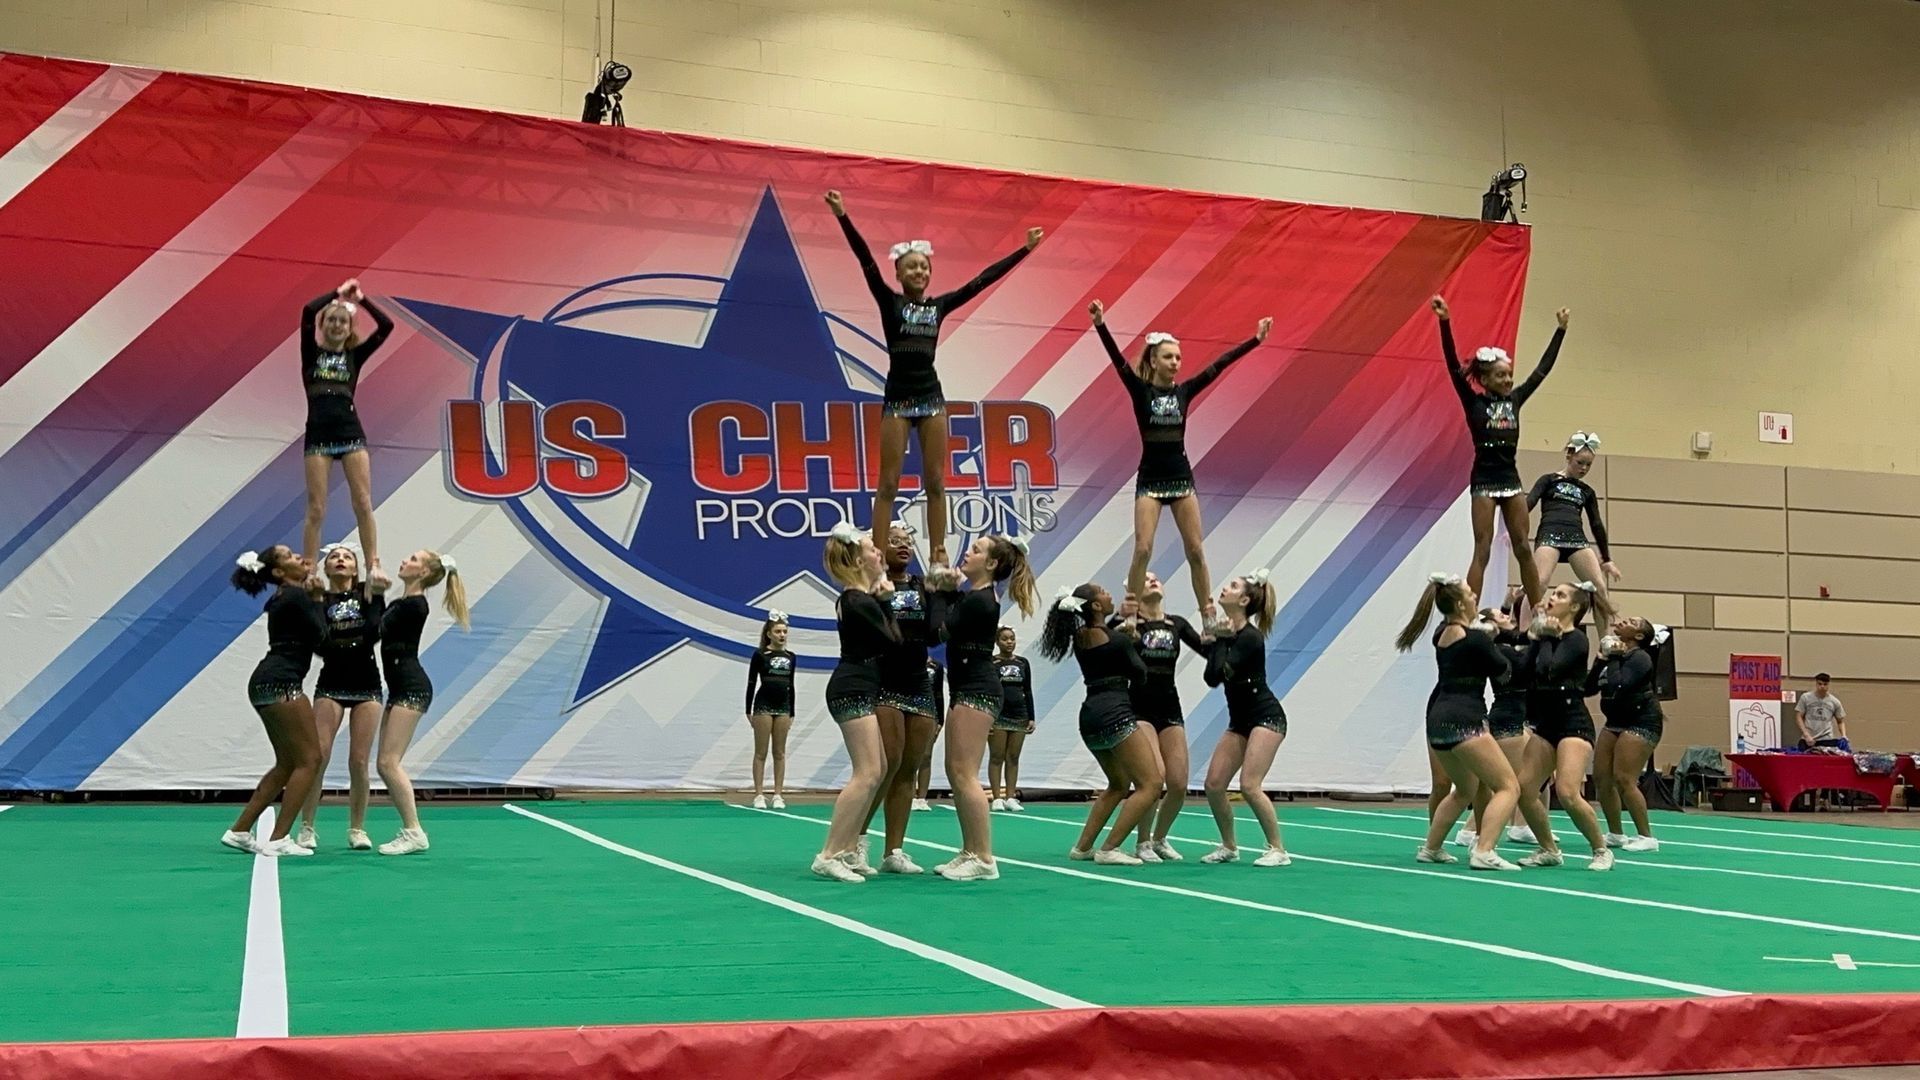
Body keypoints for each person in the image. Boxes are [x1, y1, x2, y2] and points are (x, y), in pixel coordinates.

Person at [824, 190, 1043, 566]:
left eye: (924, 267)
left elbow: (980, 282)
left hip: (930, 397)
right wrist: (843, 215)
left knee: (936, 481)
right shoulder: (889, 301)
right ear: (898, 273)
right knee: (889, 483)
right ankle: (876, 555)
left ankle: (939, 554)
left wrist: (1023, 250)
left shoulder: (939, 306)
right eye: (912, 267)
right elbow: (865, 262)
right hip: (898, 397)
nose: (919, 272)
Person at [1089, 300, 1271, 621]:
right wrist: (1101, 324)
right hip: (1150, 478)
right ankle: (1131, 614)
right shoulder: (1140, 391)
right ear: (1154, 361)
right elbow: (1117, 361)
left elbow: (1221, 364)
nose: (1175, 362)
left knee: (1196, 550)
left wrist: (1255, 340)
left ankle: (1208, 616)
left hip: (1180, 478)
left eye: (1178, 357)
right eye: (1168, 357)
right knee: (1143, 548)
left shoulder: (1184, 392)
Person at [1429, 295, 1569, 607]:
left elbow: (1541, 372)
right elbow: (1453, 366)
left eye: (1509, 374)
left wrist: (1560, 331)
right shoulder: (1474, 401)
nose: (1508, 379)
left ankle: (1539, 611)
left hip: (1510, 478)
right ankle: (1469, 611)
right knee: (1483, 549)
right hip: (1484, 480)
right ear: (1485, 379)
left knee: (1522, 546)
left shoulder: (1515, 399)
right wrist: (1444, 322)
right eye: (1501, 375)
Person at [1394, 573, 1523, 871]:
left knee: (1463, 790)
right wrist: (1499, 637)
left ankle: (1431, 847)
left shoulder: (1441, 633)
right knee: (1507, 786)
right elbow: (1504, 669)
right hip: (1466, 720)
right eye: (1469, 593)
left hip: (1438, 720)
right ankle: (1484, 849)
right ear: (1462, 603)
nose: (1475, 595)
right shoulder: (1476, 639)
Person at [930, 535, 1038, 882]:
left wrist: (939, 590)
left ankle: (985, 857)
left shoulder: (979, 601)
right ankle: (970, 849)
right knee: (955, 771)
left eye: (975, 549)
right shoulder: (974, 597)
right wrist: (947, 591)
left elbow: (935, 634)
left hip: (977, 691)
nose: (967, 552)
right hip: (967, 689)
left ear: (991, 564)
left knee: (964, 773)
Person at [1038, 584, 1165, 865]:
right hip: (1115, 712)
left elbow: (1108, 644)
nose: (1110, 595)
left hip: (1090, 715)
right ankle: (1110, 848)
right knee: (1151, 784)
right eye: (1104, 592)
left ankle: (1083, 847)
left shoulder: (1081, 636)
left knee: (1119, 783)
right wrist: (1134, 641)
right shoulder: (1117, 641)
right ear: (1095, 606)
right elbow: (1141, 673)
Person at [222, 546, 325, 857]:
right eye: (291, 557)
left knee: (287, 764)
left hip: (266, 681)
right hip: (281, 682)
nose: (300, 557)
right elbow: (323, 639)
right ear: (280, 572)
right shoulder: (295, 597)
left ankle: (240, 830)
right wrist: (320, 599)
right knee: (310, 760)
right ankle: (280, 838)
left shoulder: (284, 596)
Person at [812, 523, 900, 883]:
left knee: (876, 770)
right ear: (855, 559)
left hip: (860, 686)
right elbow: (894, 643)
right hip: (851, 688)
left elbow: (890, 638)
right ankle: (829, 853)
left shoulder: (861, 598)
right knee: (866, 773)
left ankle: (847, 849)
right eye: (871, 548)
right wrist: (887, 601)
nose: (879, 552)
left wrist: (883, 601)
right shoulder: (856, 599)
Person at [373, 549, 469, 856]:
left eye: (413, 559)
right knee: (384, 763)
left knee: (389, 763)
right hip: (400, 688)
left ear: (424, 573)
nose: (404, 560)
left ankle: (414, 831)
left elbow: (375, 631)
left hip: (411, 688)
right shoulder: (402, 603)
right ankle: (411, 830)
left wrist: (372, 595)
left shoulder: (414, 606)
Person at [300, 280, 394, 589]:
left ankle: (373, 566)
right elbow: (307, 310)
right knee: (316, 507)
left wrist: (362, 300)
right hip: (318, 436)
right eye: (332, 320)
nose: (338, 325)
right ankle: (310, 570)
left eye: (344, 321)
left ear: (350, 327)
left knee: (363, 502)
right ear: (322, 324)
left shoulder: (354, 356)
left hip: (351, 434)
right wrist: (338, 293)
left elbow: (386, 325)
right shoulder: (311, 353)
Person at [1516, 582, 1612, 871]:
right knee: (1524, 789)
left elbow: (1550, 668)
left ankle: (1601, 849)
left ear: (1574, 607)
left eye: (1559, 595)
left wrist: (1543, 636)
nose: (1551, 598)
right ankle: (1549, 849)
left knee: (1569, 792)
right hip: (1545, 724)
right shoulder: (1543, 636)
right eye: (1552, 593)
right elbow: (1523, 673)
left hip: (1573, 722)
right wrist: (1536, 637)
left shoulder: (1576, 640)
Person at [1198, 570, 1291, 866]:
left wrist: (1218, 640)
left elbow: (1223, 671)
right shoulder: (1228, 636)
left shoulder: (1250, 638)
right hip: (1240, 721)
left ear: (1245, 600)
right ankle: (1229, 846)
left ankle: (1278, 849)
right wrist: (1215, 637)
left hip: (1266, 717)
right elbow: (1210, 676)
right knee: (1213, 785)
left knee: (1250, 784)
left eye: (1234, 586)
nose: (1225, 587)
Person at [867, 524, 945, 875]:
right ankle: (854, 838)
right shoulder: (870, 585)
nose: (904, 546)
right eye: (895, 540)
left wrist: (940, 595)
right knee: (887, 764)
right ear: (879, 547)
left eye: (908, 542)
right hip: (884, 680)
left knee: (909, 769)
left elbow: (932, 634)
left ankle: (893, 851)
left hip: (918, 681)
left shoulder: (919, 586)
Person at [296, 542, 385, 851]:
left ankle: (357, 829)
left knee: (359, 761)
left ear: (356, 568)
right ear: (325, 568)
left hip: (367, 683)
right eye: (334, 557)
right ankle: (307, 827)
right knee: (318, 756)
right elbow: (319, 641)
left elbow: (374, 631)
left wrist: (376, 592)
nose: (340, 560)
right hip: (331, 682)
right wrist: (316, 600)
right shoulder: (318, 599)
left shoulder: (369, 594)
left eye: (347, 557)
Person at [1124, 571, 1204, 862]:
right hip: (1139, 706)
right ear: (1132, 590)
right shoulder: (1129, 624)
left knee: (1179, 783)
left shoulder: (1177, 624)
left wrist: (1225, 636)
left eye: (1156, 578)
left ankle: (1159, 838)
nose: (1153, 580)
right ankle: (1142, 842)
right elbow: (1103, 641)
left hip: (1169, 706)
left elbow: (1209, 650)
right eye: (1145, 579)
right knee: (1153, 778)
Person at [1589, 617, 1666, 852]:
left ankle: (1646, 836)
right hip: (1615, 721)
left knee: (1624, 778)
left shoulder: (1640, 658)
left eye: (1631, 621)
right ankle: (1615, 833)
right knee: (1602, 778)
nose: (1622, 621)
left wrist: (1611, 658)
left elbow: (1620, 685)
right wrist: (1599, 660)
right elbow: (1588, 688)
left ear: (1639, 636)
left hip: (1642, 721)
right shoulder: (1614, 654)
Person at [1528, 431, 1621, 608]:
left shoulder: (1587, 491)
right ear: (1569, 456)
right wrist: (1512, 531)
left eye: (1588, 465)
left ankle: (1605, 636)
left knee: (1599, 588)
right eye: (1580, 463)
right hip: (1550, 536)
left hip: (1576, 539)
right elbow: (1528, 504)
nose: (1584, 468)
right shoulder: (1549, 480)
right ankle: (1525, 630)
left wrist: (1607, 559)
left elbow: (1596, 524)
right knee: (1539, 584)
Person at [745, 610, 796, 811]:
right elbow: (751, 683)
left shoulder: (791, 657)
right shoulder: (760, 655)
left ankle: (777, 794)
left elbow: (791, 685)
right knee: (761, 752)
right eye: (778, 631)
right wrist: (747, 710)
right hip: (763, 705)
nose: (782, 635)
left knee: (780, 752)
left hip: (783, 706)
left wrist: (792, 711)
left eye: (784, 631)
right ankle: (758, 793)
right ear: (769, 634)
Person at [990, 625, 1036, 812]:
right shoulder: (992, 663)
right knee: (997, 756)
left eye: (1012, 639)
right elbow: (990, 691)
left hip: (1019, 714)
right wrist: (989, 717)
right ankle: (996, 797)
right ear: (997, 642)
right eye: (1005, 639)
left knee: (1013, 757)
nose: (1009, 642)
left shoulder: (1023, 663)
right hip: (999, 715)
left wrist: (1031, 717)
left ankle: (1010, 797)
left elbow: (1028, 690)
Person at [913, 657, 945, 812]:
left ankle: (922, 798)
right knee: (911, 757)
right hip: (910, 710)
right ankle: (910, 796)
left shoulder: (936, 666)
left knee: (926, 756)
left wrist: (941, 720)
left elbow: (939, 693)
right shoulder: (906, 661)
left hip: (930, 713)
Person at [1795, 673, 1848, 748]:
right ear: (1816, 684)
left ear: (1828, 685)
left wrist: (1844, 736)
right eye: (1819, 684)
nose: (1822, 686)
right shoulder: (1805, 698)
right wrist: (1806, 734)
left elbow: (1840, 721)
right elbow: (1798, 717)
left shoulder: (1835, 702)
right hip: (1808, 738)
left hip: (1826, 739)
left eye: (1825, 684)